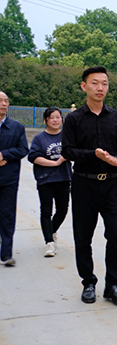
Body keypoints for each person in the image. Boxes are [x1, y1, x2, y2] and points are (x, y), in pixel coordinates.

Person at [62, 66, 117, 304]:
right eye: (95, 83)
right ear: (84, 86)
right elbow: (67, 151)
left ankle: (112, 285)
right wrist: (92, 154)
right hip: (84, 184)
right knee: (83, 237)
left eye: (104, 83)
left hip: (112, 184)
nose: (100, 88)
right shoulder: (74, 119)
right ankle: (88, 282)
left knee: (116, 236)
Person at [28, 107, 73, 258]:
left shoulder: (67, 136)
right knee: (46, 211)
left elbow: (74, 152)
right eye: (52, 117)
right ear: (45, 120)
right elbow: (33, 157)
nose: (55, 120)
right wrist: (54, 163)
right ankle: (49, 242)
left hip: (63, 178)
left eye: (58, 117)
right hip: (45, 179)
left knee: (62, 210)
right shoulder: (39, 138)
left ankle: (51, 231)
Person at [0, 91, 29, 267]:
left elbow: (23, 149)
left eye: (6, 101)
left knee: (7, 215)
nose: (4, 104)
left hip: (8, 179)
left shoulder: (17, 127)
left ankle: (6, 254)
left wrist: (4, 155)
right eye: (0, 101)